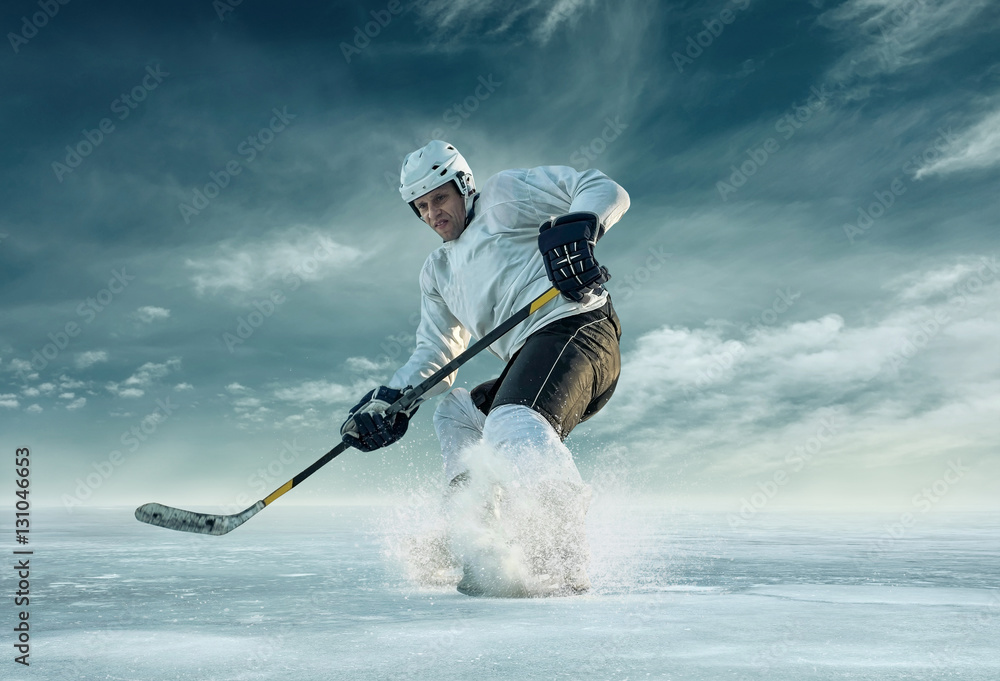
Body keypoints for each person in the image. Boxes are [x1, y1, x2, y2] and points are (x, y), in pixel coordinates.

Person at [340, 140, 629, 595]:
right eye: (421, 207)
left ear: (464, 187)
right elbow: (436, 353)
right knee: (456, 412)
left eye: (440, 198)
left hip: (579, 328)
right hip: (529, 358)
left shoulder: (504, 196)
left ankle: (558, 550)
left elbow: (600, 187)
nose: (432, 213)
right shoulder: (437, 271)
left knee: (512, 420)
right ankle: (478, 539)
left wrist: (579, 228)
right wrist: (389, 400)